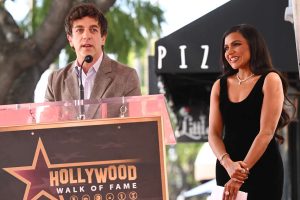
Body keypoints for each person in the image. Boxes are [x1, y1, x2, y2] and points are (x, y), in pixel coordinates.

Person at [208, 24, 293, 200]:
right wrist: (228, 165)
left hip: (263, 167)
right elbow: (213, 134)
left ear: (253, 45)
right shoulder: (219, 85)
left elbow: (266, 132)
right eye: (226, 47)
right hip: (227, 167)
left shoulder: (270, 79)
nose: (229, 51)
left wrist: (239, 175)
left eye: (236, 44)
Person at [45, 3, 141, 102]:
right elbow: (47, 117)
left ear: (103, 38)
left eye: (93, 30)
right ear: (70, 40)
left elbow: (136, 116)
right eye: (80, 30)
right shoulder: (55, 81)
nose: (86, 36)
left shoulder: (127, 76)